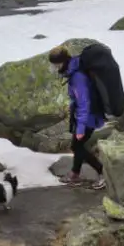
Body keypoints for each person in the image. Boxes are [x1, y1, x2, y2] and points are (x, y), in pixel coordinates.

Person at [49, 45, 106, 189]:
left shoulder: (78, 77)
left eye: (56, 65)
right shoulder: (73, 70)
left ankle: (103, 172)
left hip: (89, 116)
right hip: (83, 115)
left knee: (77, 145)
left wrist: (80, 128)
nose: (55, 68)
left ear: (63, 62)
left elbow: (84, 103)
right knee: (77, 145)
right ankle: (75, 174)